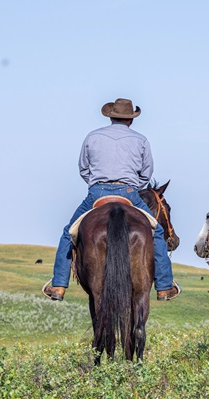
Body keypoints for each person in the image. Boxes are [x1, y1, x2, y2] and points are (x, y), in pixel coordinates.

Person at [43, 98, 181, 302]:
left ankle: (59, 285)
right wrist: (132, 185)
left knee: (68, 232)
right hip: (129, 192)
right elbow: (146, 173)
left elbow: (83, 168)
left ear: (111, 116)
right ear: (131, 120)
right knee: (157, 232)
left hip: (97, 193)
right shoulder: (141, 140)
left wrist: (96, 184)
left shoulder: (92, 137)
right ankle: (164, 286)